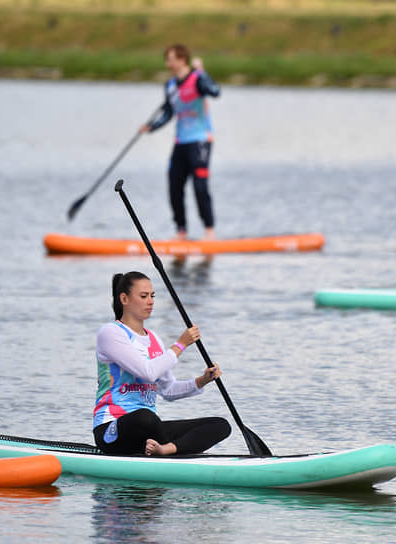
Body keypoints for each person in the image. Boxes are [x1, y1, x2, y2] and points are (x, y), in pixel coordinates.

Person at [93, 271, 231, 456]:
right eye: (143, 296)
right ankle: (173, 450)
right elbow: (148, 372)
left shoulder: (154, 339)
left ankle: (166, 449)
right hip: (112, 429)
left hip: (149, 431)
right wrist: (180, 345)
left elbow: (168, 390)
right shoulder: (111, 333)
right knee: (145, 418)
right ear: (124, 299)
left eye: (152, 296)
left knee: (220, 425)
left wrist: (202, 381)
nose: (150, 301)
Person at [140, 44, 220, 241]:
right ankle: (181, 231)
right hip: (181, 142)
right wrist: (152, 126)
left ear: (182, 60)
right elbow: (168, 112)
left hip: (200, 140)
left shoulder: (197, 79)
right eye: (167, 60)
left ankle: (209, 231)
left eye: (171, 59)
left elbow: (215, 91)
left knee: (200, 186)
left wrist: (202, 72)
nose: (168, 64)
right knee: (174, 185)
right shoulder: (170, 86)